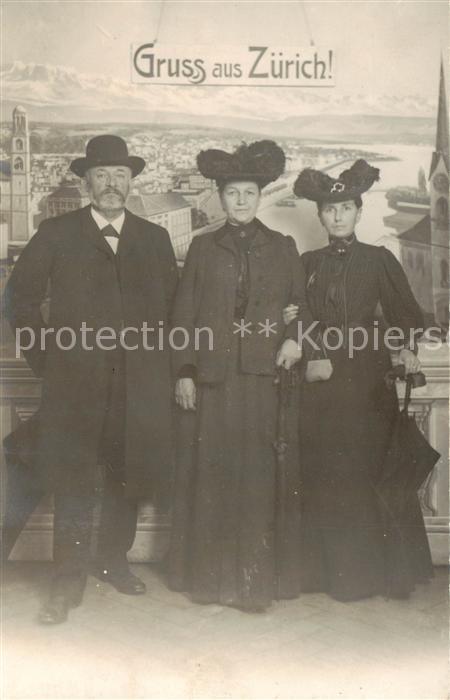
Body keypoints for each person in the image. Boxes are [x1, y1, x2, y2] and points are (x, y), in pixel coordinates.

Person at [3, 135, 178, 623]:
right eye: (101, 175)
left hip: (138, 388)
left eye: (120, 174)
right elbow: (18, 299)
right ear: (86, 182)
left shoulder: (154, 238)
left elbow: (172, 312)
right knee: (75, 481)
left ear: (131, 180)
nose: (111, 184)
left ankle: (112, 561)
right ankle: (67, 582)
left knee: (127, 478)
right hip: (75, 389)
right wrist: (47, 362)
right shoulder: (56, 233)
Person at [167, 141, 314, 611]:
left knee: (258, 478)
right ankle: (211, 582)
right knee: (213, 476)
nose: (242, 202)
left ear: (260, 196)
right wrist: (185, 371)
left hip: (262, 380)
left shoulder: (283, 247)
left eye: (249, 193)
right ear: (222, 198)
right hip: (213, 380)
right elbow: (182, 315)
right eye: (233, 194)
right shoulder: (203, 249)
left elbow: (302, 307)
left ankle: (254, 584)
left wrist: (296, 336)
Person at [284, 159, 433, 601]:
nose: (337, 216)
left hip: (368, 382)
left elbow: (407, 314)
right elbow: (298, 313)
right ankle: (325, 575)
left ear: (358, 211)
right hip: (320, 378)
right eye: (330, 210)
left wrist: (405, 346)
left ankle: (371, 576)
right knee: (325, 471)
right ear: (320, 215)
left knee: (367, 470)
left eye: (345, 208)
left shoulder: (379, 259)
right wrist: (304, 330)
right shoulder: (306, 262)